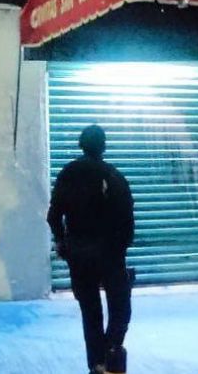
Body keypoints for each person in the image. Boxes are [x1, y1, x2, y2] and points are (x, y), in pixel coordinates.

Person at [48, 124, 135, 374]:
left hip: (79, 254)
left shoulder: (68, 174)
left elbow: (53, 215)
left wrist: (62, 241)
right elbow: (127, 217)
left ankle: (97, 363)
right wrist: (121, 246)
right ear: (104, 146)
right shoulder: (112, 175)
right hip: (110, 254)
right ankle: (111, 352)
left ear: (81, 145)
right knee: (120, 308)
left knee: (90, 311)